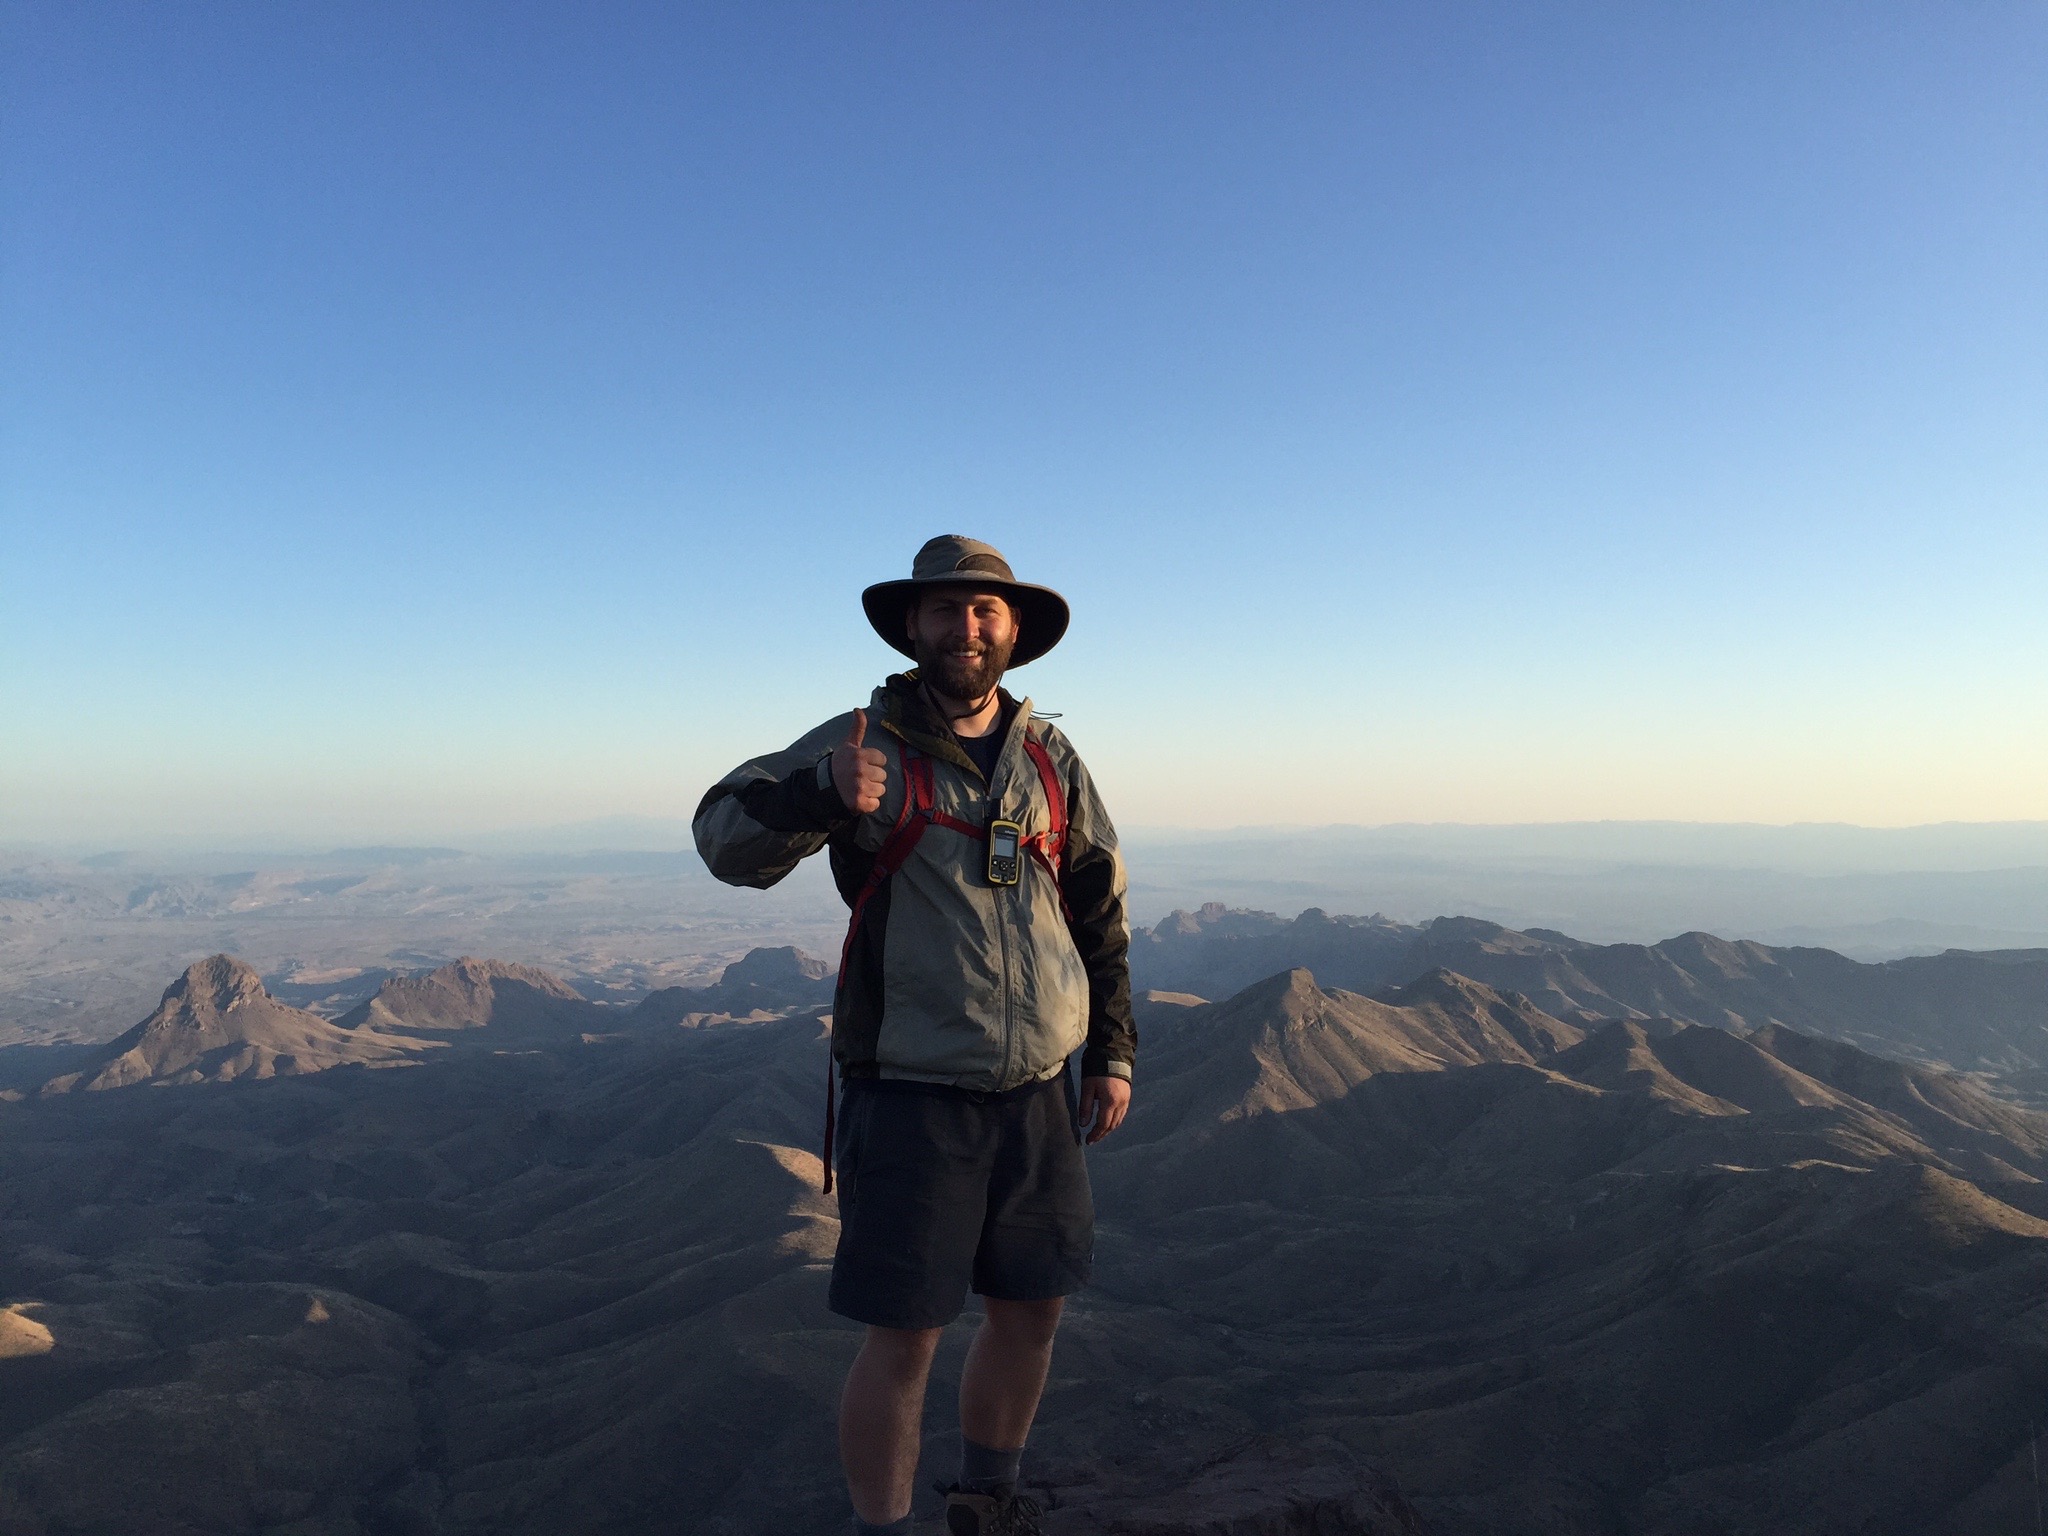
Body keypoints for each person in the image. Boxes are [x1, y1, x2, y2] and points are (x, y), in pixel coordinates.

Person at [694, 535, 1136, 1536]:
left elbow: (1097, 905)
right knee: (905, 1341)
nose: (965, 627)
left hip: (1035, 1090)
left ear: (1012, 631)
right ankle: (882, 1529)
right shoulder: (865, 736)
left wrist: (1109, 1050)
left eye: (984, 610)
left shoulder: (1047, 756)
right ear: (913, 626)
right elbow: (723, 834)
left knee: (1032, 1312)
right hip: (911, 1092)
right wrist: (815, 797)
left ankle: (989, 1495)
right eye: (944, 610)